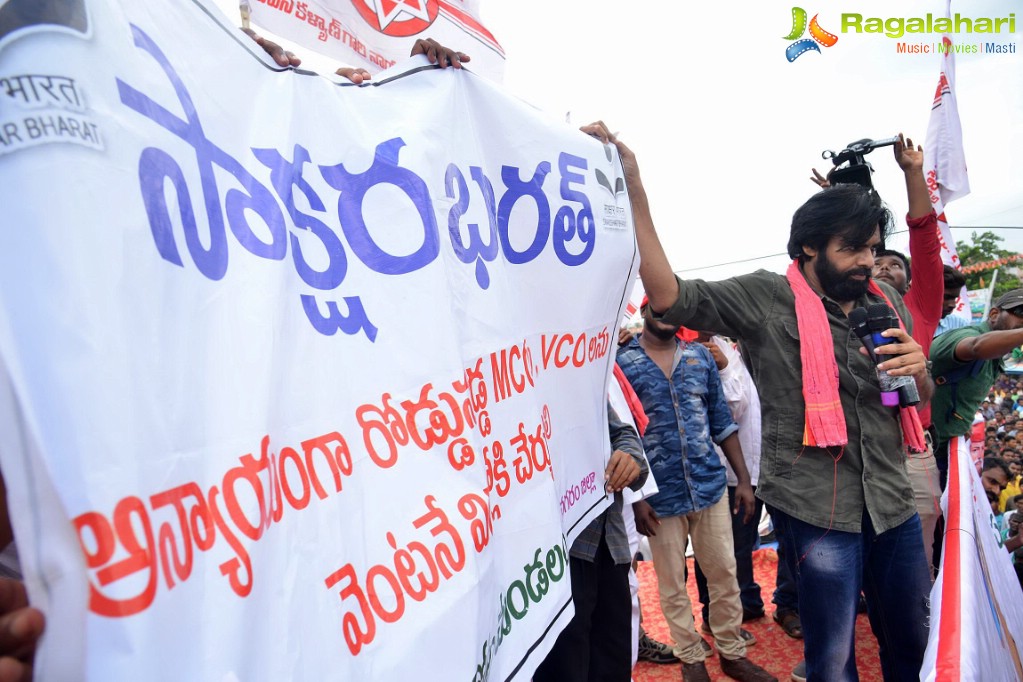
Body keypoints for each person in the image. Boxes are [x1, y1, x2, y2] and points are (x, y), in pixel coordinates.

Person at [583, 120, 933, 682]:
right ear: (809, 248)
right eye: (852, 250)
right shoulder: (768, 298)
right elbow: (671, 296)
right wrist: (635, 187)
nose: (868, 263)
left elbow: (916, 397)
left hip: (892, 502)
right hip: (820, 508)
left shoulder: (884, 300)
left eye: (872, 248)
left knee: (912, 640)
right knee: (833, 657)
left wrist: (920, 368)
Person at [619, 308, 775, 682]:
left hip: (709, 486)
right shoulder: (624, 363)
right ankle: (691, 659)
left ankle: (731, 653)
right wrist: (637, 498)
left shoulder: (700, 356)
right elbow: (625, 433)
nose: (666, 314)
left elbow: (722, 421)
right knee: (672, 583)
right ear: (643, 311)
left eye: (673, 307)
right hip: (659, 498)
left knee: (724, 573)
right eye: (657, 307)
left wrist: (742, 480)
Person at [533, 406, 648, 682]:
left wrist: (630, 458)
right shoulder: (508, 383)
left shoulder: (577, 372)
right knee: (564, 667)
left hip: (609, 543)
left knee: (612, 660)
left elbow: (622, 433)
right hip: (552, 558)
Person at [691, 332, 767, 625]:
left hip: (746, 466)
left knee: (741, 542)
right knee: (717, 548)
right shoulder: (700, 351)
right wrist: (723, 368)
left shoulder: (726, 347)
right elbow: (730, 411)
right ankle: (714, 612)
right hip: (723, 469)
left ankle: (746, 599)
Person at [931, 289, 1023, 472]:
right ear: (994, 314)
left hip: (947, 451)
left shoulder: (996, 357)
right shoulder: (967, 336)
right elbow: (976, 347)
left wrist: (963, 423)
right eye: (1021, 313)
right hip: (925, 452)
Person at [933, 266, 970, 338]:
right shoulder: (907, 324)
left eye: (955, 298)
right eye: (946, 297)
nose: (953, 305)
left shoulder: (960, 325)